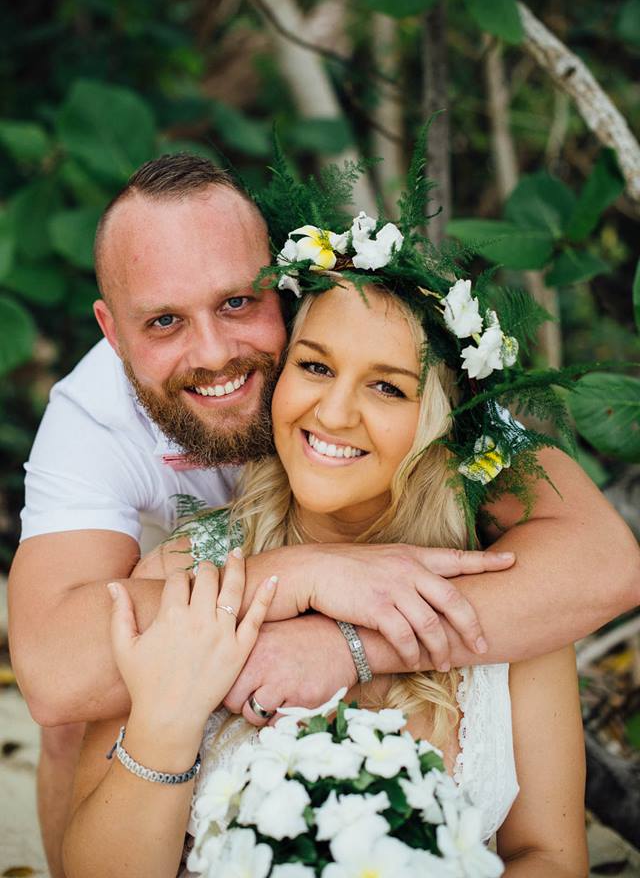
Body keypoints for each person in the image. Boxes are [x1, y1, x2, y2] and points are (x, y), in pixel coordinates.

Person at [8, 155, 639, 878]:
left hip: (366, 547)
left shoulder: (378, 327)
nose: (214, 351)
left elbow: (604, 561)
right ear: (113, 334)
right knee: (91, 716)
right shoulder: (97, 422)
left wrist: (349, 645)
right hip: (203, 580)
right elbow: (55, 674)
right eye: (163, 321)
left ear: (282, 285)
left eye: (237, 303)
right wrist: (304, 575)